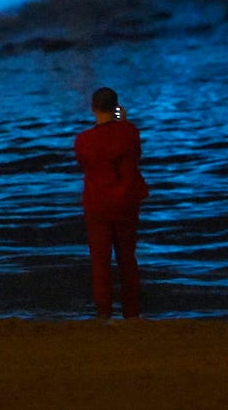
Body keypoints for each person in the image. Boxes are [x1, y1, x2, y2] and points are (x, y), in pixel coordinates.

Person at [73, 87, 149, 320]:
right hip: (126, 201)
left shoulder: (83, 140)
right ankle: (131, 314)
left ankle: (104, 313)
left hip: (97, 204)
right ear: (116, 107)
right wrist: (121, 120)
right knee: (127, 260)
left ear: (93, 108)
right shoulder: (129, 132)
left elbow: (85, 165)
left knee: (100, 262)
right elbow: (135, 153)